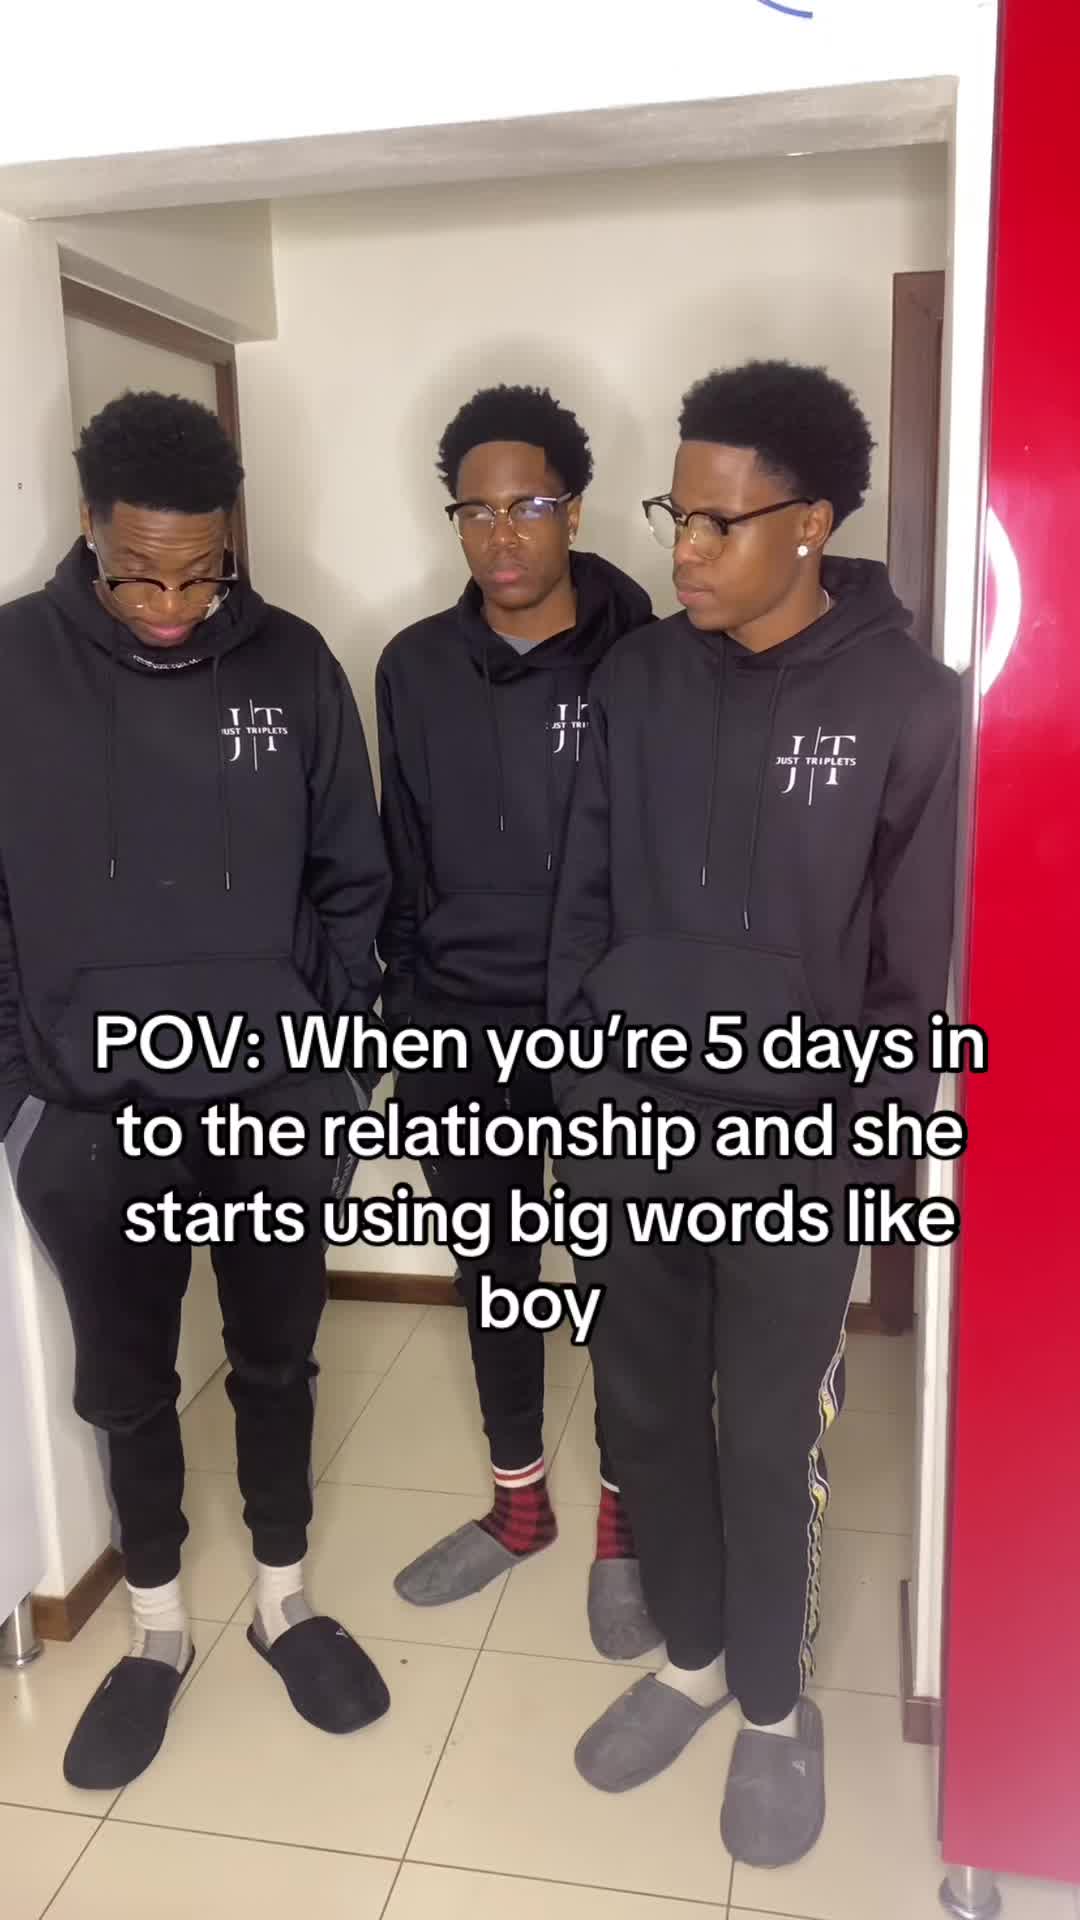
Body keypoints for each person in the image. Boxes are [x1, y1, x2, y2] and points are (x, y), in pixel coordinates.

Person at [548, 360, 962, 1866]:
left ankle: (778, 1712)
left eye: (722, 523)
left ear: (814, 522)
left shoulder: (910, 706)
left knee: (770, 1436)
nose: (688, 550)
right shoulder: (635, 681)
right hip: (630, 1132)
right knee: (650, 1413)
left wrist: (861, 1156)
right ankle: (696, 1660)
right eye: (678, 516)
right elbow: (582, 906)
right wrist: (579, 1099)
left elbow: (915, 970)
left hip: (797, 1147)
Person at [0, 392, 392, 1789]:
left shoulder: (293, 666)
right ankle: (157, 1629)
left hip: (273, 1103)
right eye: (139, 574)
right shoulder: (13, 667)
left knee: (277, 1359)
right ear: (89, 529)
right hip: (89, 1113)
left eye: (200, 574)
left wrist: (328, 1067)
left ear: (231, 541)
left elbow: (353, 878)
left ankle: (284, 1599)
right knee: (126, 1384)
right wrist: (23, 1095)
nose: (170, 605)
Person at [376, 383, 658, 1658]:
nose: (501, 534)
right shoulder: (412, 667)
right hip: (461, 1032)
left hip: (607, 1037)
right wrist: (405, 1021)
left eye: (528, 506)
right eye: (476, 510)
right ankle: (519, 1507)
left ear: (574, 510)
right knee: (493, 1276)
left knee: (620, 1288)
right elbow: (399, 857)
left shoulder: (650, 655)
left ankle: (623, 1526)